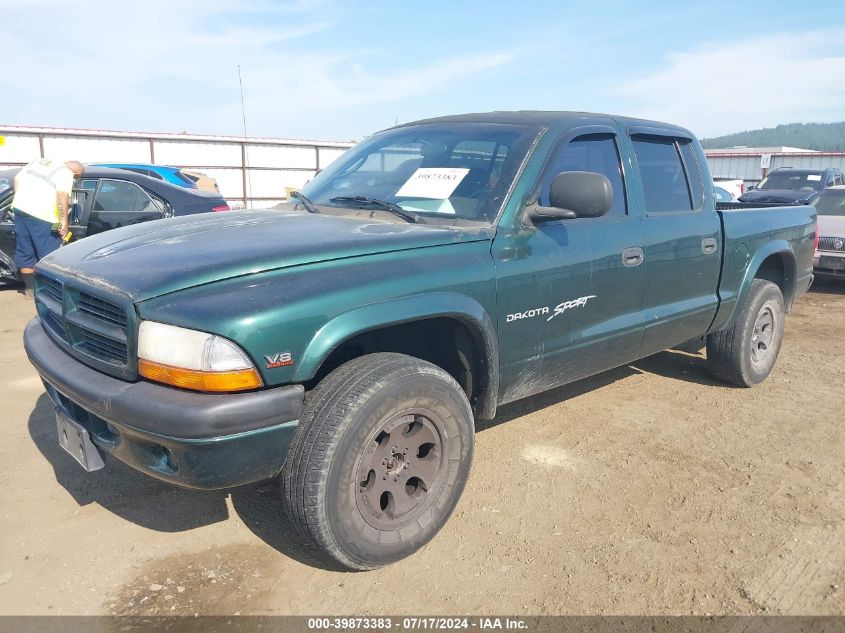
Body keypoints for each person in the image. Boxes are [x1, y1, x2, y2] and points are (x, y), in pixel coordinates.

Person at [11, 159, 84, 297]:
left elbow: (16, 179)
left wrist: (22, 201)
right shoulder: (65, 172)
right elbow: (61, 194)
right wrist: (63, 222)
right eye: (76, 177)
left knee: (26, 250)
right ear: (75, 172)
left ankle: (30, 290)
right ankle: (49, 292)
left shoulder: (38, 163)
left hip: (20, 210)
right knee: (49, 256)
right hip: (43, 216)